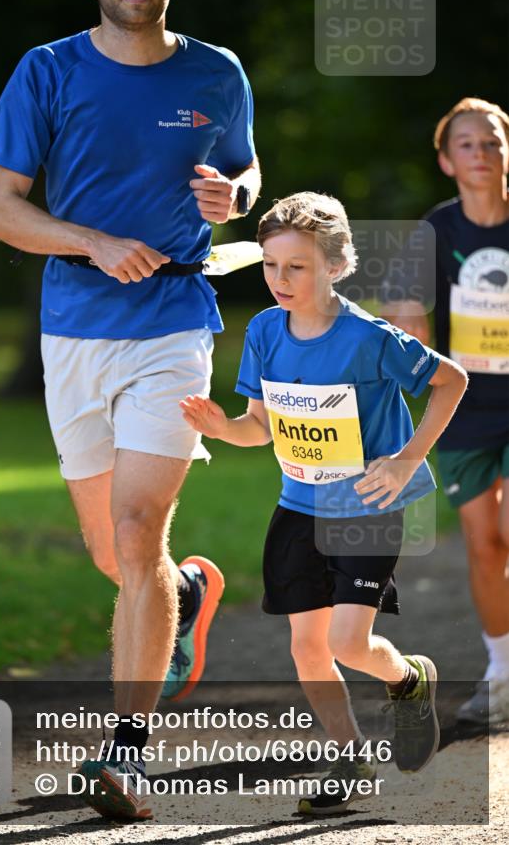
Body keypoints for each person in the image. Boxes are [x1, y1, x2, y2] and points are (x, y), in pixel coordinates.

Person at [0, 0, 261, 820]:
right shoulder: (47, 71)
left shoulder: (216, 72)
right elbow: (1, 211)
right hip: (74, 330)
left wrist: (236, 196)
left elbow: (245, 167)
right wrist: (91, 242)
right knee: (115, 553)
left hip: (174, 323)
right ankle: (186, 594)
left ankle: (126, 754)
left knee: (139, 530)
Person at [181, 192, 467, 814]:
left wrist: (407, 458)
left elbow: (452, 381)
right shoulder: (264, 330)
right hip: (299, 507)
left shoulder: (368, 337)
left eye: (297, 267)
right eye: (270, 265)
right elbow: (259, 427)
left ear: (336, 266)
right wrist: (219, 427)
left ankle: (408, 679)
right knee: (306, 647)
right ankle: (349, 756)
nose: (279, 279)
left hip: (366, 508)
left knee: (347, 645)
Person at [384, 97, 509, 724]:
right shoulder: (438, 230)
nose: (480, 153)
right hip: (468, 409)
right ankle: (502, 673)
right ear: (446, 160)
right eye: (466, 144)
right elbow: (405, 311)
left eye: (491, 142)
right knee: (485, 545)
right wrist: (407, 321)